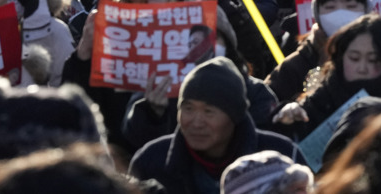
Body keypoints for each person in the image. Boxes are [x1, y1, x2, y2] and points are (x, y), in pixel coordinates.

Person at [129, 58, 304, 193]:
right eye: (188, 109)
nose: (196, 122)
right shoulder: (151, 162)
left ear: (234, 115)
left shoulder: (282, 156)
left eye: (209, 112)